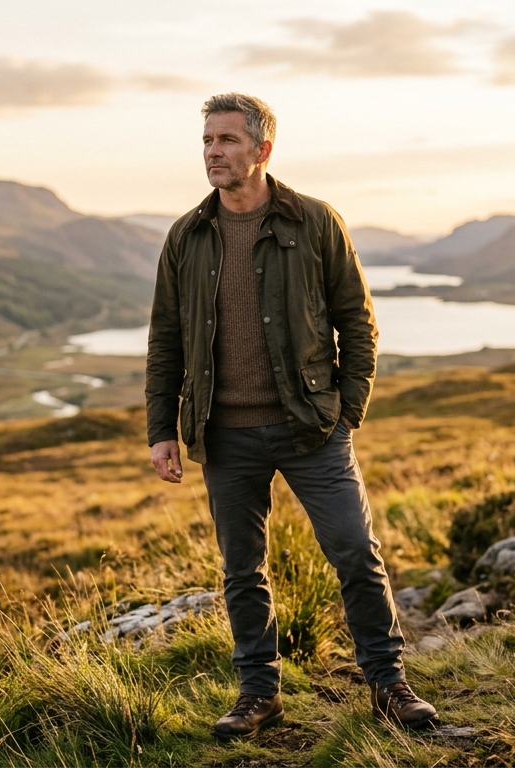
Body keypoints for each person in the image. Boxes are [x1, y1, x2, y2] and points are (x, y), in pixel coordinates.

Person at [145, 92, 440, 740]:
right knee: (242, 572)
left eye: (226, 140)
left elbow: (357, 323)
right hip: (225, 437)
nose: (213, 152)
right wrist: (162, 430)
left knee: (356, 553)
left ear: (263, 150)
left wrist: (347, 413)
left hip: (312, 429)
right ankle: (260, 695)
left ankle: (388, 685)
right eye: (207, 141)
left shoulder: (314, 222)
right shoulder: (187, 236)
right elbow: (166, 337)